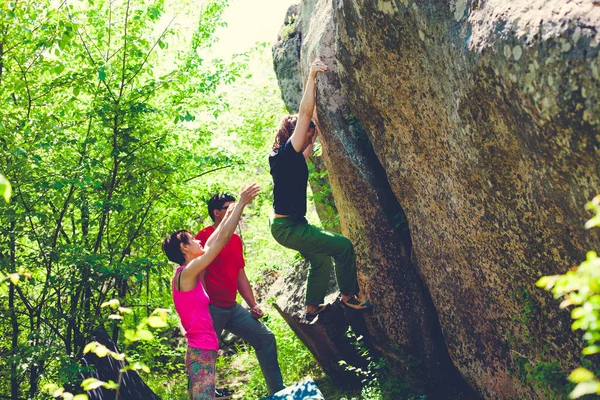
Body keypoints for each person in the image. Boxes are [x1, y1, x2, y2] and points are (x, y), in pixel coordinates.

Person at [269, 58, 371, 321]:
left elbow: (306, 145)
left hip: (289, 225)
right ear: (295, 134)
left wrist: (314, 132)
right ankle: (349, 296)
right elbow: (304, 114)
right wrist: (312, 76)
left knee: (321, 261)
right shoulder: (285, 154)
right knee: (343, 247)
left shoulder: (289, 158)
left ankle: (312, 306)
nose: (310, 138)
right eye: (307, 134)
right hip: (289, 228)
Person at [162, 184, 260, 400]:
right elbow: (219, 242)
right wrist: (241, 203)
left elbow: (216, 238)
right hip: (200, 351)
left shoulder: (188, 271)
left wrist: (234, 210)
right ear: (185, 248)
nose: (200, 241)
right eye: (194, 240)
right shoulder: (186, 273)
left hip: (204, 349)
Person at [195, 193, 285, 395]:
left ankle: (278, 393)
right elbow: (199, 271)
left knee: (265, 338)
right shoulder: (203, 236)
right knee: (206, 356)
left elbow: (240, 274)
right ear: (216, 213)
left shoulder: (235, 240)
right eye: (229, 208)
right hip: (212, 308)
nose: (235, 211)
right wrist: (205, 306)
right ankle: (206, 395)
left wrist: (252, 304)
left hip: (232, 308)